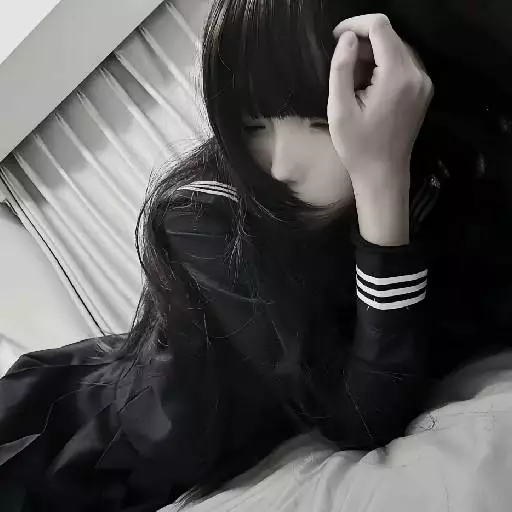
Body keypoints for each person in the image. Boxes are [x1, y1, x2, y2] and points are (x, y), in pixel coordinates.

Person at [1, 1, 512, 511]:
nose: (280, 165)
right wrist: (380, 178)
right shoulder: (205, 218)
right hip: (97, 434)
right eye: (252, 126)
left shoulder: (437, 177)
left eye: (319, 121)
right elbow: (362, 417)